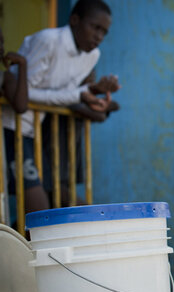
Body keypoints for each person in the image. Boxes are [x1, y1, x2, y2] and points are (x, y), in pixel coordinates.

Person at [2, 0, 119, 210]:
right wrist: (81, 95)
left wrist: (90, 95)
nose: (99, 37)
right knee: (39, 207)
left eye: (105, 32)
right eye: (95, 27)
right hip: (11, 127)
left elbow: (68, 95)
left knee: (47, 207)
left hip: (34, 132)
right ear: (74, 20)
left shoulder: (93, 55)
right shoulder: (48, 41)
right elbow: (24, 96)